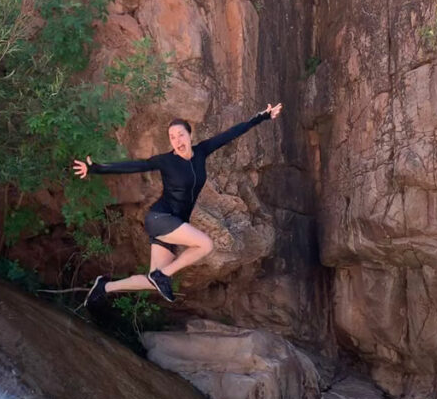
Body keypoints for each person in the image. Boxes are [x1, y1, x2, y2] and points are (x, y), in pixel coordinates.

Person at [72, 102, 282, 305]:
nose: (177, 140)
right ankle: (162, 276)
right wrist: (96, 168)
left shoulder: (201, 152)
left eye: (181, 134)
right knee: (205, 244)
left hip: (174, 224)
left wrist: (262, 117)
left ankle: (104, 287)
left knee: (153, 281)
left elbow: (231, 133)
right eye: (172, 137)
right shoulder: (166, 161)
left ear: (189, 135)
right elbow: (135, 165)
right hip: (160, 219)